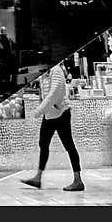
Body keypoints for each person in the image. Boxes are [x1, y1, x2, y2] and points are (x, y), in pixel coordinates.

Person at [21, 63, 84, 191]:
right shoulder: (45, 72)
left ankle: (78, 180)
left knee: (69, 145)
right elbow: (44, 92)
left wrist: (39, 110)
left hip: (61, 113)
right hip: (50, 114)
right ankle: (38, 178)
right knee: (43, 144)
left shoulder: (56, 71)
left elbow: (54, 93)